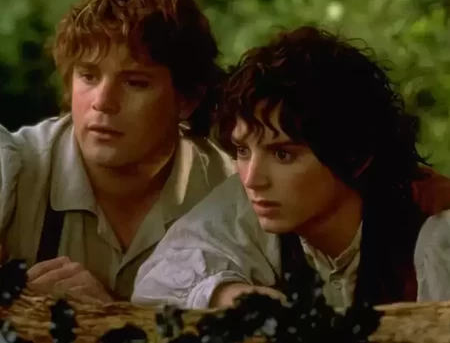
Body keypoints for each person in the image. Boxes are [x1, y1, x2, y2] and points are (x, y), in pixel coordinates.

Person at [132, 25, 449, 312]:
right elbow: (156, 281)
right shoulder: (252, 203)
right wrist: (230, 296)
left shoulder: (433, 231)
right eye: (243, 151)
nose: (252, 178)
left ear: (355, 156)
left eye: (282, 154)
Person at [0, 0, 235, 302]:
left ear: (187, 99)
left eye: (134, 82)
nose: (103, 102)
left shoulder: (234, 193)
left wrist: (109, 317)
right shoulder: (16, 171)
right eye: (88, 76)